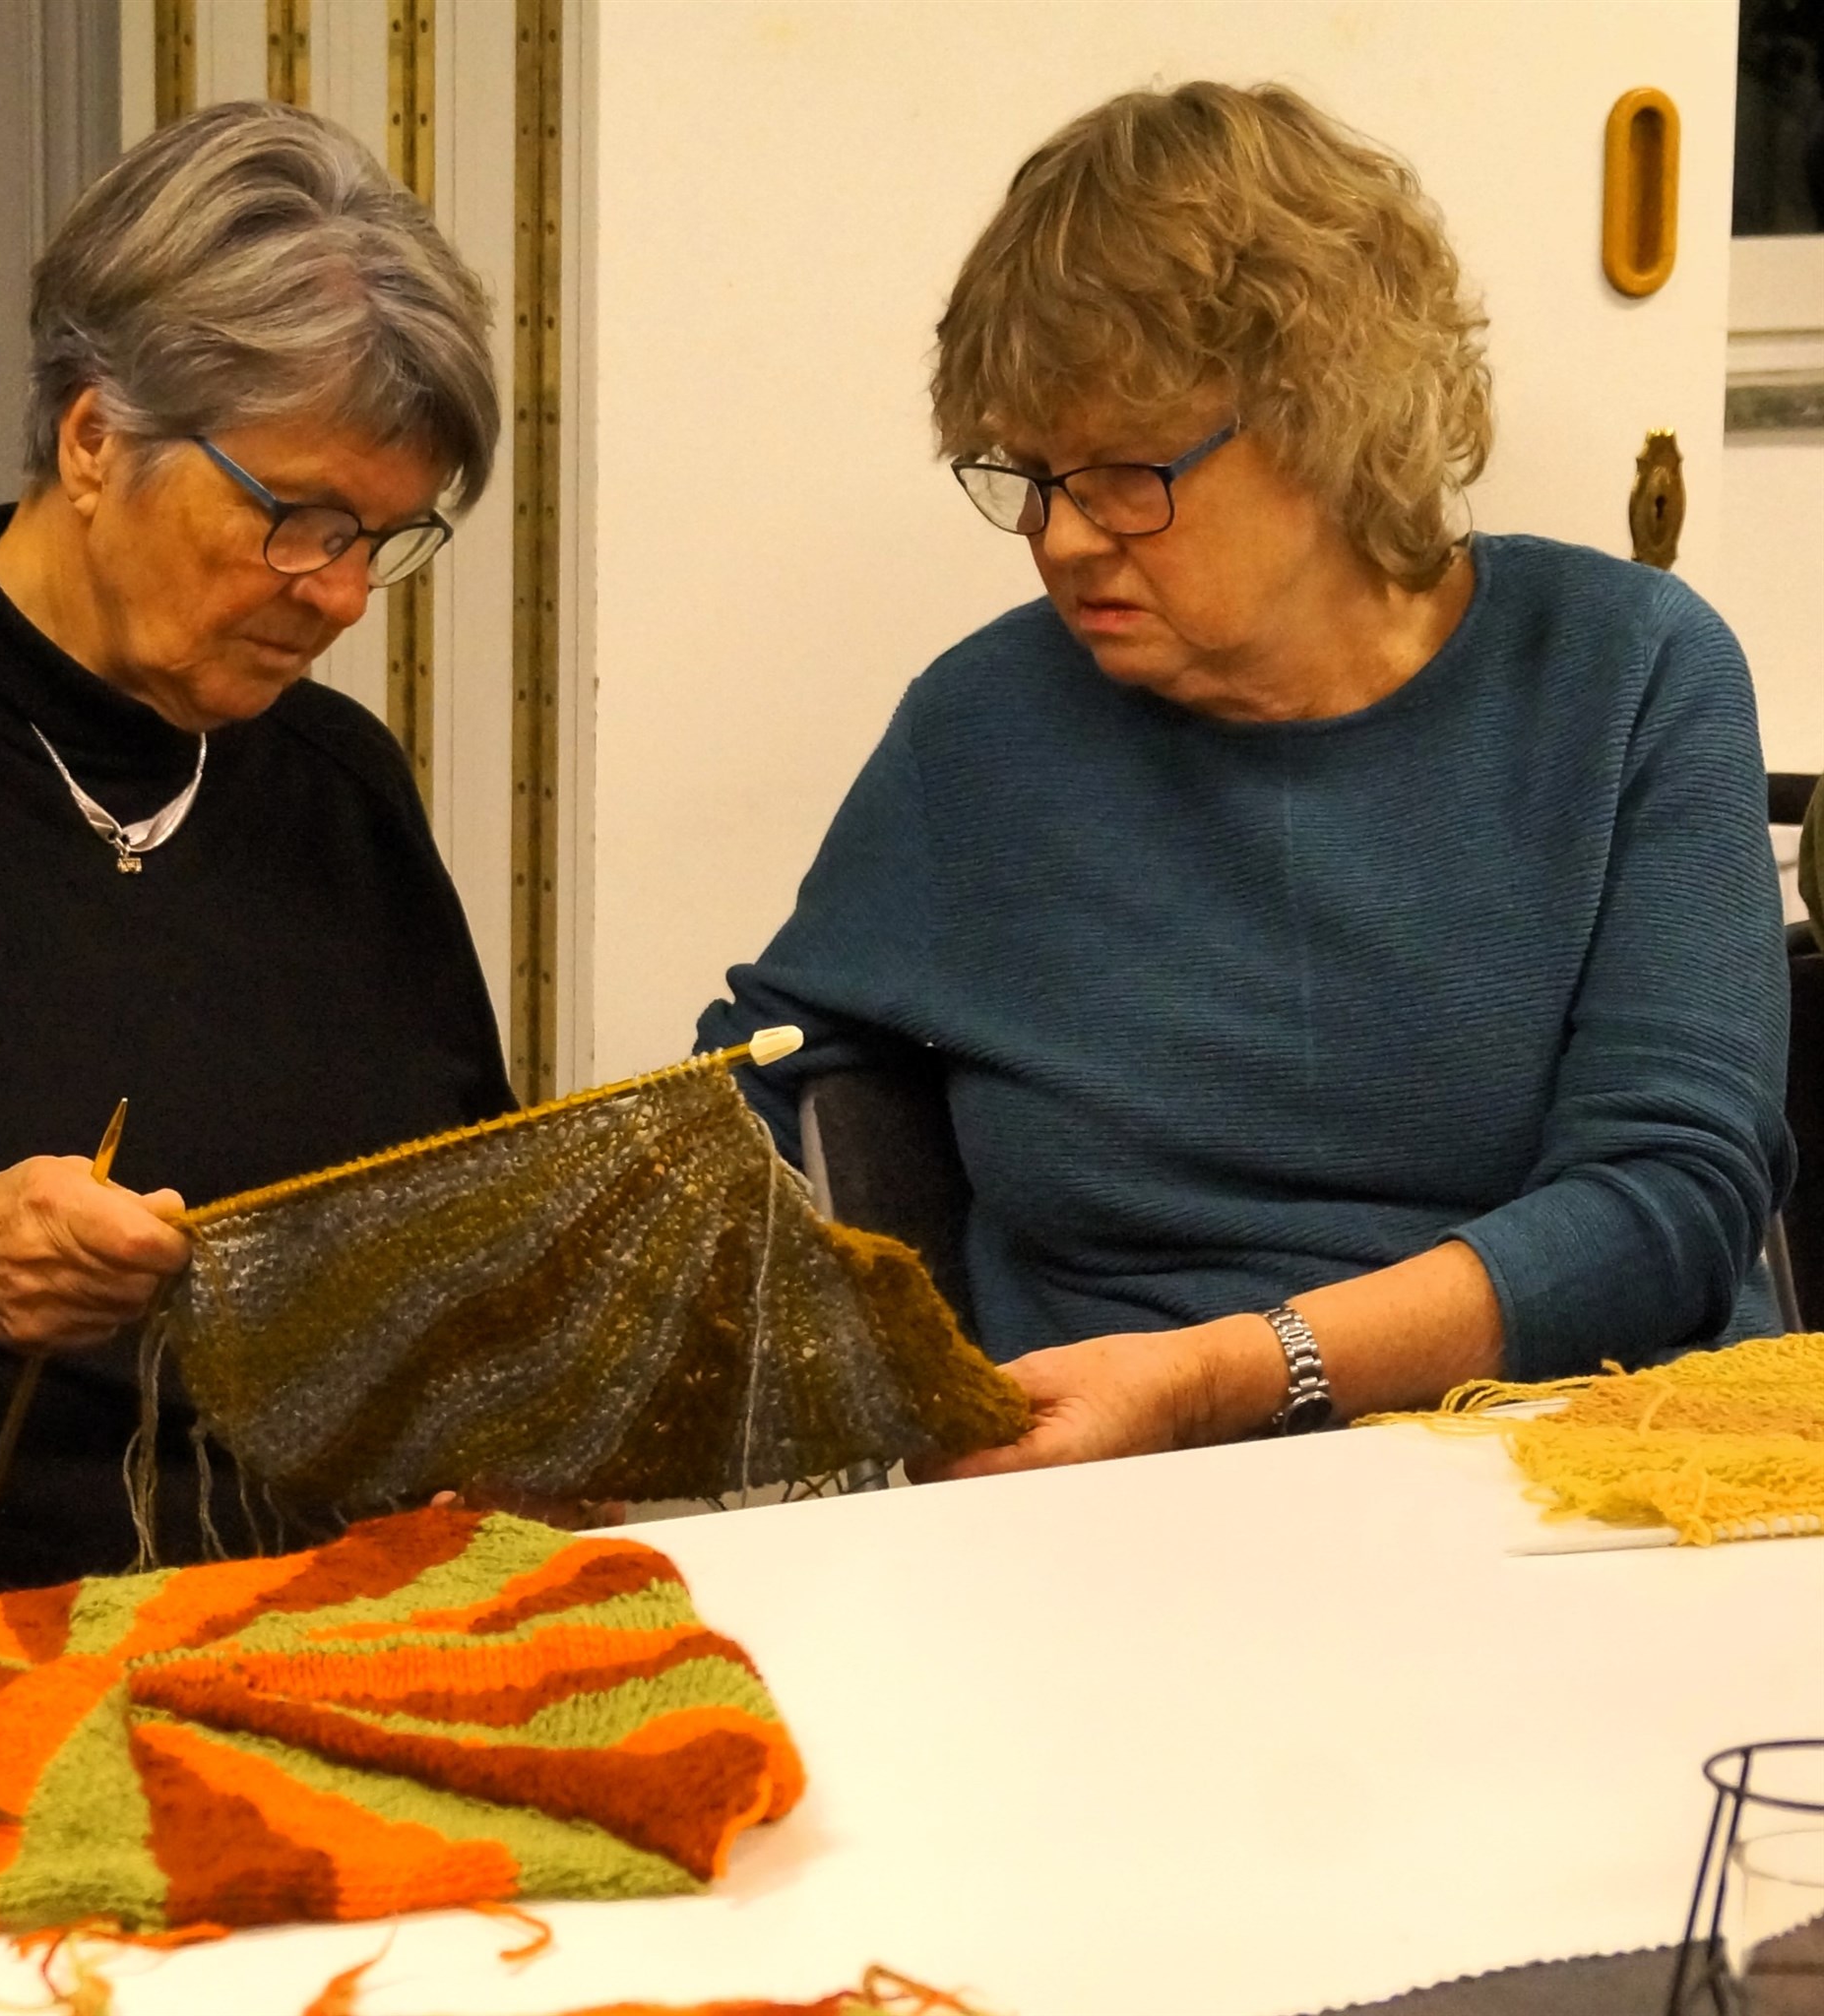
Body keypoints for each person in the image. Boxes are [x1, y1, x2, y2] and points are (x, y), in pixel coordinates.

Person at [698, 82, 1793, 1480]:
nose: (1064, 539)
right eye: (1028, 474)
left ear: (1330, 423)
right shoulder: (983, 729)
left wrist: (1225, 1376)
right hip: (1129, 1501)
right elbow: (759, 1088)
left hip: (1580, 1462)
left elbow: (1671, 1203)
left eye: (1125, 474)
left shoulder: (1625, 672)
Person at [0, 102, 515, 1608]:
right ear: (94, 440)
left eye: (383, 539)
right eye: (300, 521)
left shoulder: (340, 787)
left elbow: (466, 1237)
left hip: (328, 1626)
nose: (343, 598)